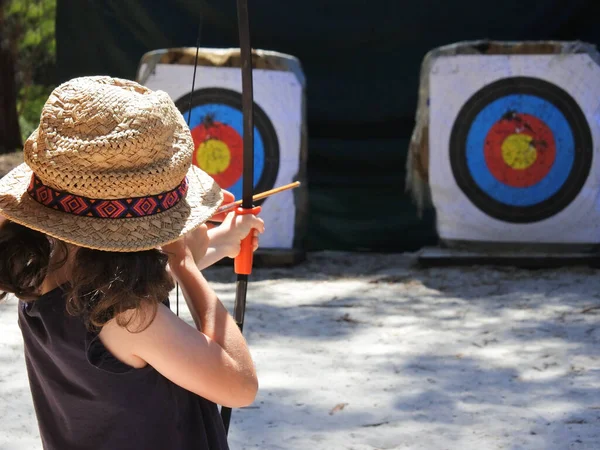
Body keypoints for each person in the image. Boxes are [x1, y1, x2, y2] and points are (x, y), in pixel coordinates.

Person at [0, 76, 264, 450]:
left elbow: (128, 280)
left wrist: (221, 243)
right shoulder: (130, 318)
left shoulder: (40, 270)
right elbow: (240, 384)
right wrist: (185, 262)